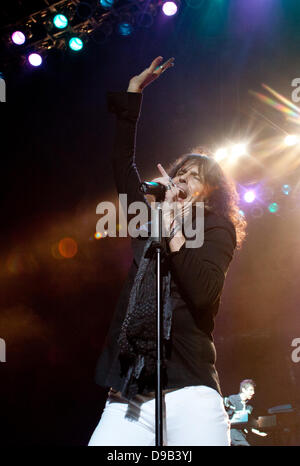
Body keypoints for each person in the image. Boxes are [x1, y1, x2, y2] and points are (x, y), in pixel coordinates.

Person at [88, 56, 246, 446]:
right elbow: (122, 168)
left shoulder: (215, 226)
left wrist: (174, 228)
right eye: (179, 172)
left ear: (210, 192)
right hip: (132, 392)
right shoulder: (148, 221)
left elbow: (205, 292)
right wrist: (132, 99)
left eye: (195, 176)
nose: (182, 178)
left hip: (190, 389)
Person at [227, 379, 261, 446]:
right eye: (251, 390)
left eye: (253, 390)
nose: (253, 392)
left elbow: (246, 424)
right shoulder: (232, 399)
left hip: (242, 435)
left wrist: (257, 431)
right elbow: (228, 419)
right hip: (233, 433)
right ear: (243, 390)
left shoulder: (249, 407)